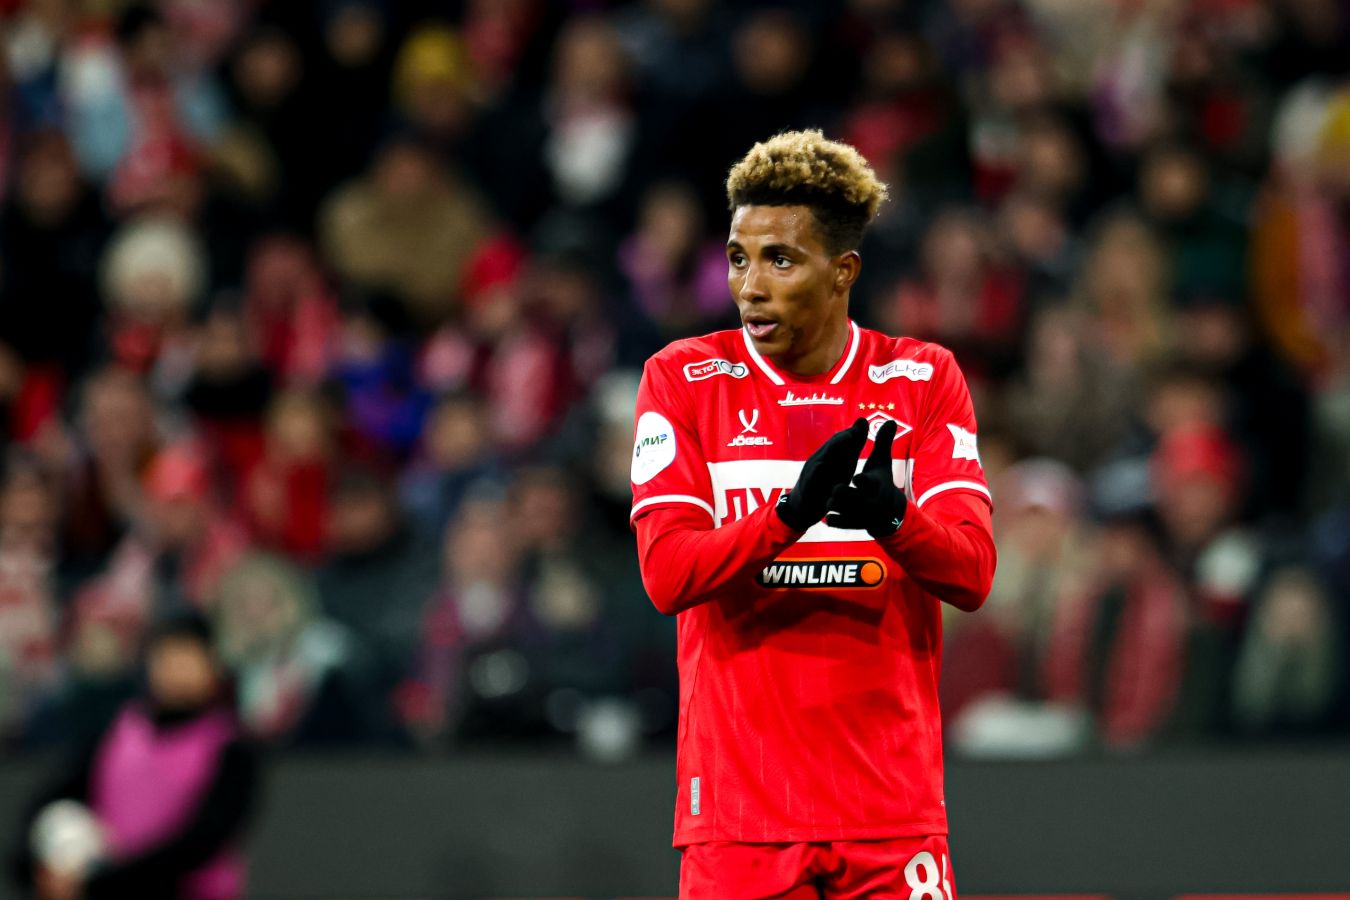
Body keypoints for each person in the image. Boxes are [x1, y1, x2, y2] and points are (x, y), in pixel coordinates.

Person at [630, 130, 996, 899]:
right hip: (740, 820)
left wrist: (894, 520)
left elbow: (972, 573)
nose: (750, 286)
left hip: (890, 814)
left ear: (842, 271)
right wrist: (790, 513)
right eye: (738, 258)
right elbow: (666, 575)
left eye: (780, 260)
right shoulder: (683, 379)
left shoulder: (922, 378)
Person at [13, 609, 258, 900]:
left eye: (187, 658)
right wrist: (36, 862)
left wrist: (102, 883)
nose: (175, 671)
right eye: (166, 658)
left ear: (213, 666)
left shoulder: (232, 747)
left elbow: (202, 840)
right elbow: (61, 792)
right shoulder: (117, 729)